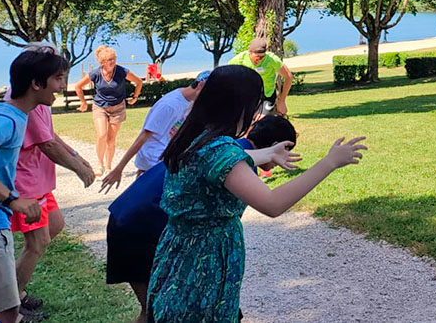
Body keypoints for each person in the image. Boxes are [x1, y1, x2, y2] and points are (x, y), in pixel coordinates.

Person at [146, 65, 367, 322]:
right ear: (242, 106)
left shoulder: (193, 136)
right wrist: (328, 163)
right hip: (205, 258)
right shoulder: (221, 151)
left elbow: (221, 162)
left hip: (178, 249)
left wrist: (267, 154)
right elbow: (272, 204)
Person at [103, 114, 300, 323]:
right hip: (143, 228)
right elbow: (220, 224)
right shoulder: (236, 162)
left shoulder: (214, 144)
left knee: (152, 313)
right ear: (277, 146)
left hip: (122, 217)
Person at [0, 50, 70, 323]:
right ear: (36, 84)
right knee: (3, 315)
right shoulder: (5, 120)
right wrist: (12, 200)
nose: (62, 86)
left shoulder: (8, 113)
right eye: (58, 78)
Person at [5, 43, 96, 321]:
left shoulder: (41, 99)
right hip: (26, 182)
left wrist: (77, 155)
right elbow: (46, 144)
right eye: (57, 77)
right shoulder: (25, 100)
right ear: (37, 78)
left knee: (54, 226)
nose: (61, 84)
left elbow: (50, 135)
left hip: (39, 181)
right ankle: (11, 303)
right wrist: (79, 169)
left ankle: (11, 287)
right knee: (38, 242)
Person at [100, 71, 212, 191]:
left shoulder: (189, 100)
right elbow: (144, 135)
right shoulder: (169, 105)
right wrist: (119, 168)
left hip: (166, 159)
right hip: (153, 161)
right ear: (200, 86)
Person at [75, 45, 144, 175]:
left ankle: (108, 167)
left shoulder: (122, 71)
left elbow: (139, 82)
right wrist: (83, 103)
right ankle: (100, 165)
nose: (113, 61)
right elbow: (78, 86)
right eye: (110, 59)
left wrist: (135, 97)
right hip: (100, 106)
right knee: (101, 135)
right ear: (102, 62)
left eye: (114, 58)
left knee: (111, 139)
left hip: (118, 107)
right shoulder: (95, 73)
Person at [228, 37, 293, 116]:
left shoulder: (272, 60)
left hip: (267, 96)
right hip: (248, 97)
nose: (258, 60)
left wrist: (282, 101)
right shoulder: (239, 60)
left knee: (262, 121)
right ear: (249, 52)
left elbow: (288, 77)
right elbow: (227, 79)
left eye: (262, 57)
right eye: (256, 57)